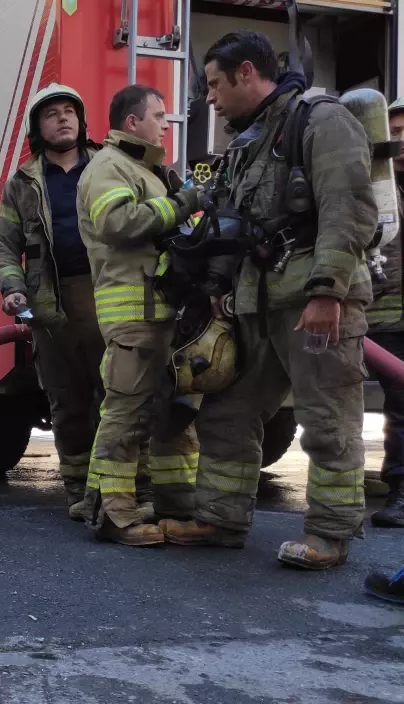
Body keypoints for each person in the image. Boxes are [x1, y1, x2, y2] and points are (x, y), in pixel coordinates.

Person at [160, 31, 375, 570]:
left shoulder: (320, 121)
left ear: (246, 72)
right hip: (254, 302)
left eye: (214, 84)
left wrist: (327, 293)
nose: (209, 98)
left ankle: (329, 535)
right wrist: (217, 290)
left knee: (327, 418)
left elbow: (347, 209)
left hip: (311, 300)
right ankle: (221, 518)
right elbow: (231, 225)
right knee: (227, 412)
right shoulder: (246, 142)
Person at [76, 84, 206, 546]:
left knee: (174, 415)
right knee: (126, 416)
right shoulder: (108, 168)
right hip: (135, 317)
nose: (166, 124)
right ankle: (114, 517)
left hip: (164, 316)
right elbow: (119, 224)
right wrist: (185, 202)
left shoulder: (145, 170)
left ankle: (176, 507)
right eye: (159, 116)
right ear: (132, 123)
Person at [0, 84, 106, 518]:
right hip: (48, 303)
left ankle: (116, 489)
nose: (62, 119)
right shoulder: (22, 183)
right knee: (66, 398)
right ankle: (78, 491)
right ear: (37, 128)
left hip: (107, 297)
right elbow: (5, 245)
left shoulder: (107, 167)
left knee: (116, 394)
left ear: (80, 120)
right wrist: (12, 287)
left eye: (69, 112)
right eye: (51, 114)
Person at [367, 96, 404, 528]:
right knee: (401, 403)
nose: (399, 139)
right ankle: (400, 489)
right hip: (385, 316)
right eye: (392, 131)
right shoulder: (375, 184)